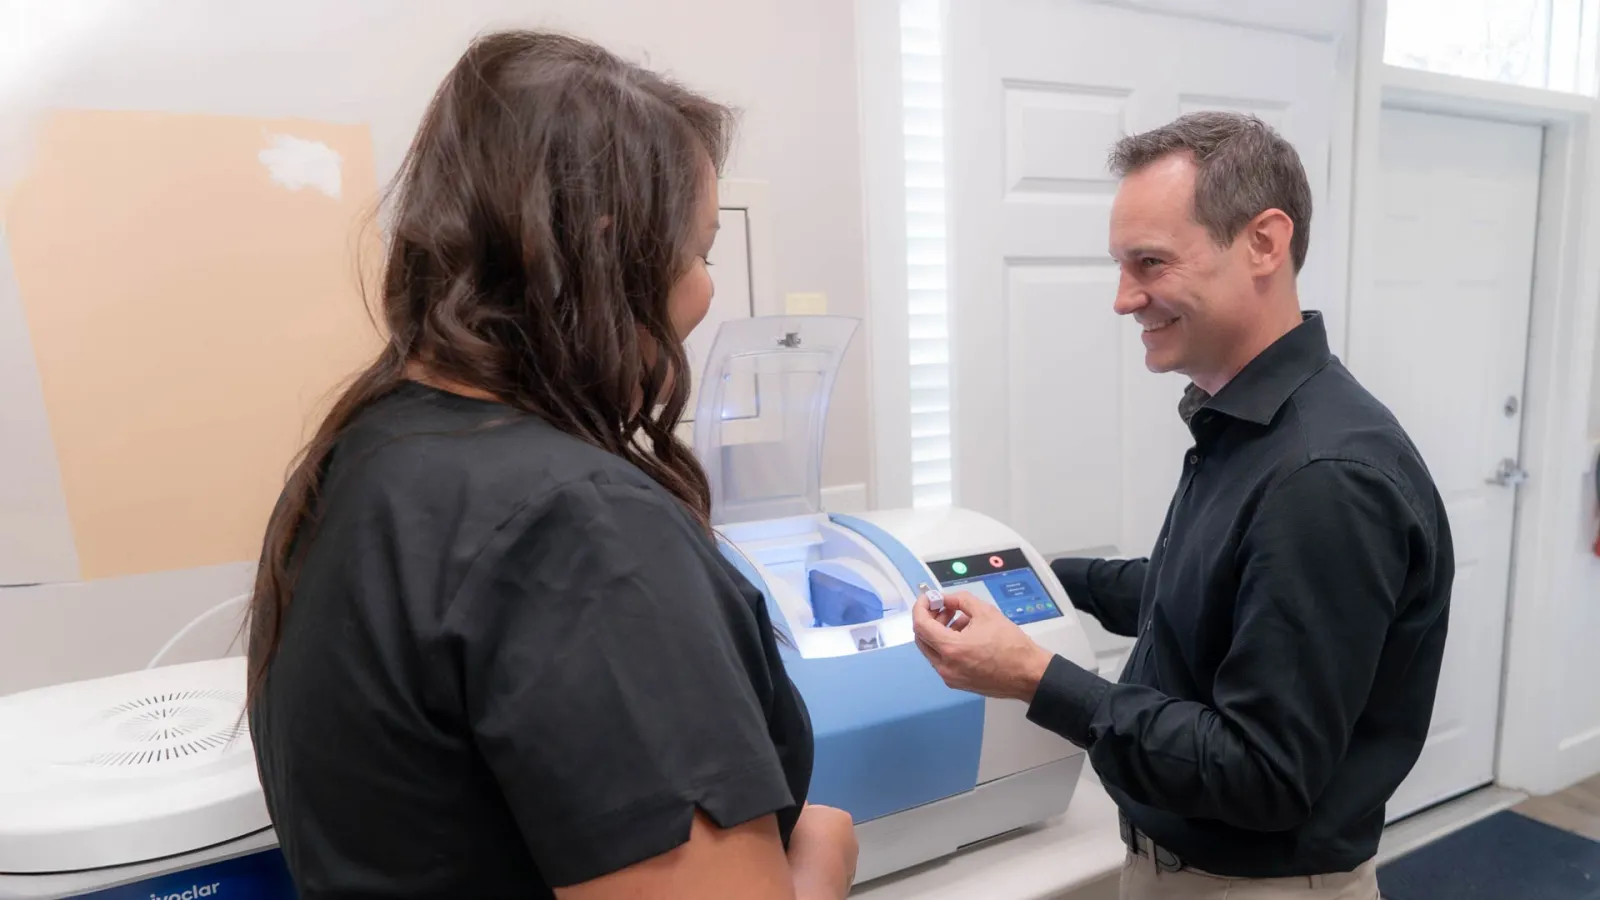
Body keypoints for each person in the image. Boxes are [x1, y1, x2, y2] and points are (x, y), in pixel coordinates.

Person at [245, 30, 858, 900]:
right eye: (702, 252)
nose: (705, 289)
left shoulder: (356, 458)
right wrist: (820, 859)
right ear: (608, 254)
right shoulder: (586, 530)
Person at [911, 111, 1452, 899]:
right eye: (1120, 265)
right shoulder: (1249, 426)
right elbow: (1202, 595)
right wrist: (1037, 575)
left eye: (1150, 263)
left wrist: (1034, 676)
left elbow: (1263, 773)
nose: (1123, 298)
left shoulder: (1324, 477)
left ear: (1264, 243)